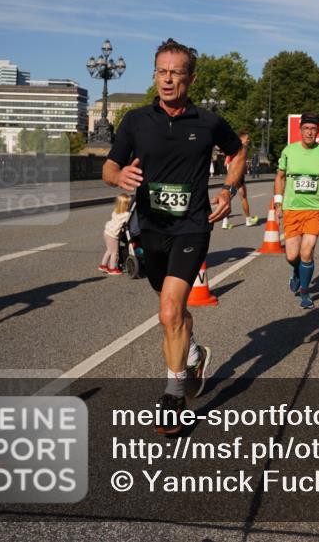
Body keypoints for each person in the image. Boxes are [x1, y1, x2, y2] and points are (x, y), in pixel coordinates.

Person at [104, 38, 245, 433]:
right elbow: (109, 168)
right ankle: (194, 352)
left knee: (168, 311)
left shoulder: (207, 122)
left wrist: (229, 190)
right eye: (161, 72)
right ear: (155, 75)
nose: (167, 80)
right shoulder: (135, 121)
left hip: (192, 225)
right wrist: (120, 176)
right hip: (150, 227)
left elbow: (238, 154)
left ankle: (173, 393)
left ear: (191, 79)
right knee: (174, 315)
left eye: (176, 73)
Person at [275, 112, 319, 310]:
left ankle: (305, 291)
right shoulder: (289, 151)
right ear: (300, 130)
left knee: (307, 251)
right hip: (292, 208)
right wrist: (278, 202)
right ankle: (296, 272)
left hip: (314, 209)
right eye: (306, 129)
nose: (310, 132)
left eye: (313, 129)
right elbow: (280, 177)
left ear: (318, 131)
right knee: (292, 256)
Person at [222, 131, 254, 229]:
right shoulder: (241, 147)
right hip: (237, 177)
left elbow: (226, 162)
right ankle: (247, 220)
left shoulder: (236, 148)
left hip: (235, 177)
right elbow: (228, 163)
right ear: (241, 139)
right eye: (247, 138)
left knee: (231, 197)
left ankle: (225, 221)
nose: (248, 140)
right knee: (236, 197)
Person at [98, 193, 132, 275]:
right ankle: (112, 268)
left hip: (107, 232)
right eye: (129, 205)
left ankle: (103, 265)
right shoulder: (126, 215)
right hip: (113, 235)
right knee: (114, 252)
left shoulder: (115, 212)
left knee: (109, 250)